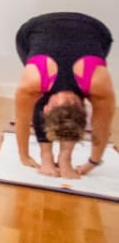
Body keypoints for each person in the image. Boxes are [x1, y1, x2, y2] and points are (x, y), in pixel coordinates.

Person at [13, 12, 113, 178]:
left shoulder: (99, 86)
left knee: (47, 94)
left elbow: (102, 126)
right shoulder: (32, 82)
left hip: (95, 30)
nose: (67, 99)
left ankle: (65, 157)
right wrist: (24, 156)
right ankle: (47, 155)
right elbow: (22, 119)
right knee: (39, 90)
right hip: (34, 30)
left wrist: (92, 163)